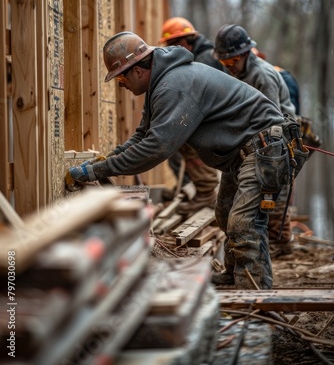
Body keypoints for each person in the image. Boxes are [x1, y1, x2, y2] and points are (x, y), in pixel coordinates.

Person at [65, 31, 308, 290]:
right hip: (243, 152)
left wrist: (95, 171)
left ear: (137, 70)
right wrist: (111, 157)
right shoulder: (160, 84)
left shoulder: (174, 85)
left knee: (244, 223)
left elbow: (156, 148)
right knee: (225, 214)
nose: (120, 83)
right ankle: (234, 272)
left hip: (264, 149)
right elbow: (143, 134)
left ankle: (255, 294)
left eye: (121, 76)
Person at [214, 24, 300, 258]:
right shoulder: (239, 73)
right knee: (230, 208)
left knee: (268, 200)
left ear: (244, 54)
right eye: (224, 63)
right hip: (249, 140)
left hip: (272, 143)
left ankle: (279, 247)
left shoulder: (261, 76)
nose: (228, 67)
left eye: (231, 62)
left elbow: (271, 120)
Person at [158, 17, 224, 213]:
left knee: (189, 144)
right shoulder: (203, 55)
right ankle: (195, 189)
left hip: (212, 117)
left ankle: (205, 192)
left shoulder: (204, 59)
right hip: (212, 114)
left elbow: (200, 94)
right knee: (180, 146)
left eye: (173, 44)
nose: (171, 49)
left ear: (185, 41)